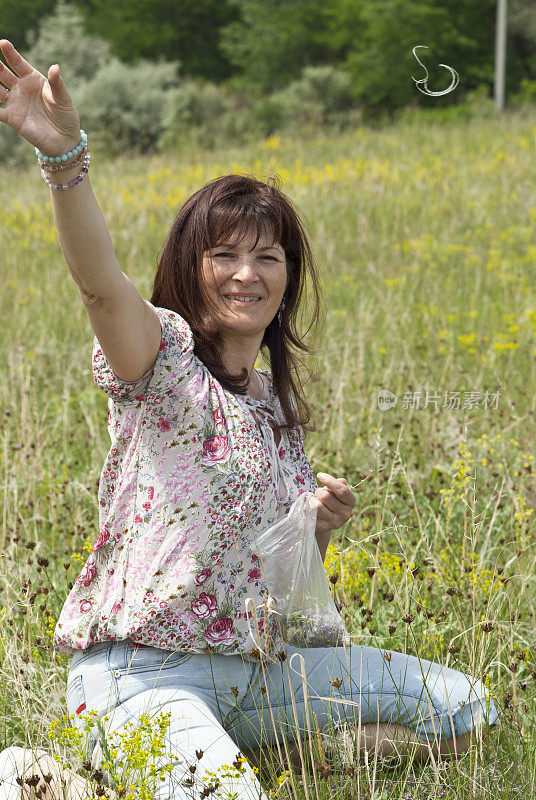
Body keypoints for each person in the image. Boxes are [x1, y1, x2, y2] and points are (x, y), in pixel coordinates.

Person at [0, 39, 499, 800]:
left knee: (468, 710)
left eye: (267, 257)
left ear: (288, 278)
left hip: (256, 677)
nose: (246, 273)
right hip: (139, 677)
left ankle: (242, 764)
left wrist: (317, 527)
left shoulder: (274, 411)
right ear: (190, 271)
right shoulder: (161, 364)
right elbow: (100, 288)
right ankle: (69, 784)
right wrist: (66, 158)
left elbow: (275, 575)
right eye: (224, 254)